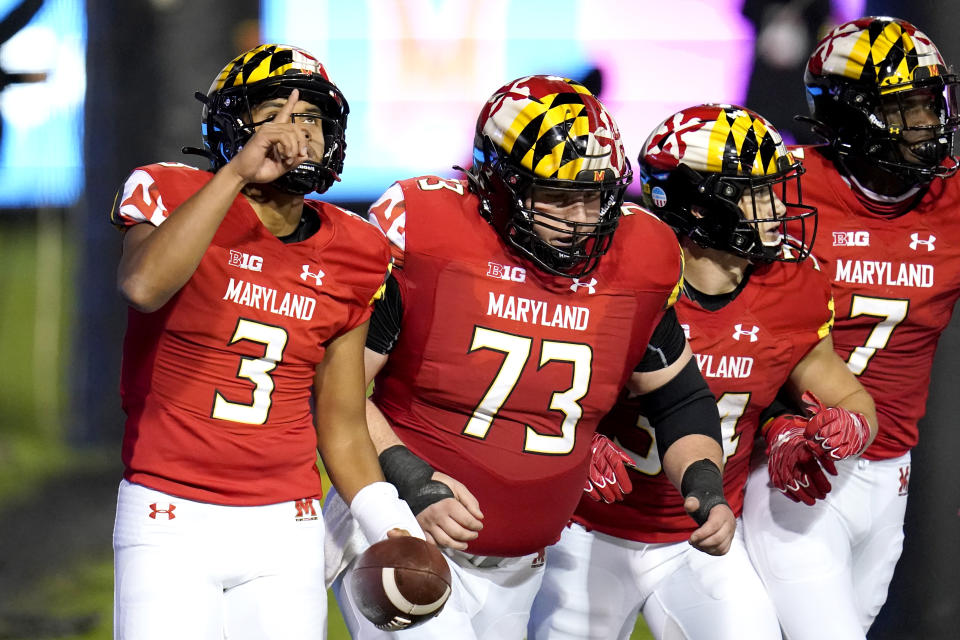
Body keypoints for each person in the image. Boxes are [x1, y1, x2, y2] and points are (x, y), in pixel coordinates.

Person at [321, 75, 736, 640]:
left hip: (524, 566)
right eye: (559, 195)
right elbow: (337, 389)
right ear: (498, 182)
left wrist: (705, 482)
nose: (581, 217)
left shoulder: (640, 257)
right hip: (403, 536)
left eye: (594, 195)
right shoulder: (433, 238)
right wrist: (409, 476)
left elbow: (679, 398)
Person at [527, 103, 877, 640]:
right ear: (698, 207)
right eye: (755, 192)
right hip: (585, 531)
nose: (777, 208)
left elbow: (849, 396)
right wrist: (572, 438)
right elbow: (526, 391)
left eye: (774, 189)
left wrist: (846, 430)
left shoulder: (792, 287)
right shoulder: (617, 273)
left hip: (702, 533)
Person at [109, 43, 421, 639]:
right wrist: (235, 175)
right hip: (169, 515)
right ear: (233, 124)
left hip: (287, 524)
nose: (294, 128)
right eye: (274, 110)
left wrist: (391, 524)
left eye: (309, 116)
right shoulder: (168, 190)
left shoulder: (358, 250)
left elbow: (343, 421)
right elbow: (143, 285)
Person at [741, 16, 960, 639]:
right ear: (848, 115)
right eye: (904, 109)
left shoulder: (953, 198)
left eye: (930, 104)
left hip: (890, 472)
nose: (927, 125)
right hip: (789, 460)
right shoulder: (780, 190)